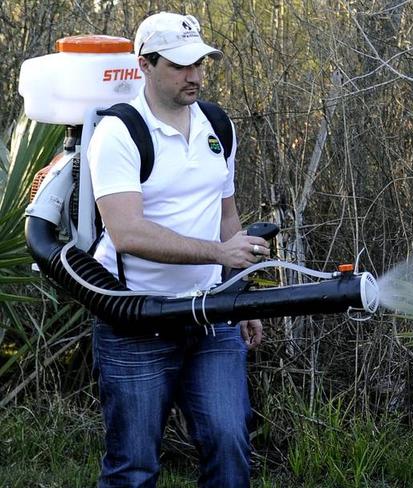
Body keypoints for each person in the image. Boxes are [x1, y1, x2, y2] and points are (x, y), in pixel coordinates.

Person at [87, 11, 269, 487]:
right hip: (136, 322)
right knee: (133, 465)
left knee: (230, 442)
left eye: (201, 63)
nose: (196, 75)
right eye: (180, 65)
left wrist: (240, 291)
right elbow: (128, 233)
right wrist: (218, 254)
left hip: (211, 316)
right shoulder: (119, 133)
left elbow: (227, 214)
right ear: (145, 64)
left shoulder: (217, 124)